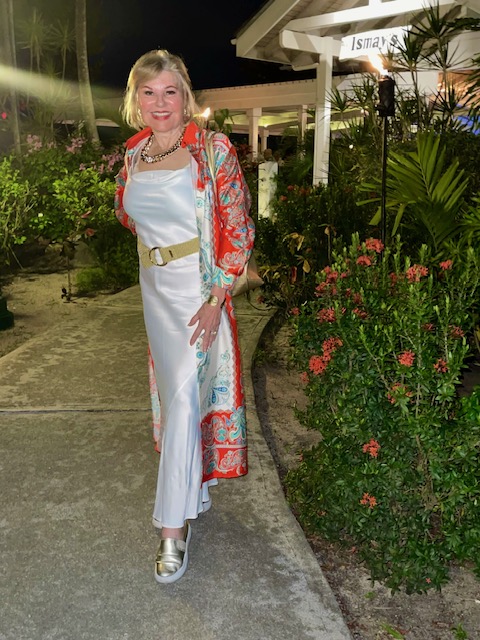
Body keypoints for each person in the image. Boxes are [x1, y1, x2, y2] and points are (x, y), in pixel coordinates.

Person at [114, 50, 255, 584]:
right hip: (155, 294)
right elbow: (128, 213)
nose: (160, 103)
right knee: (179, 398)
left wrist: (217, 297)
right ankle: (194, 486)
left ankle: (172, 530)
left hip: (197, 294)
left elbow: (238, 226)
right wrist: (157, 252)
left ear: (186, 97)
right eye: (148, 92)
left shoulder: (212, 151)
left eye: (169, 91)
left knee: (180, 397)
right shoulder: (134, 154)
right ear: (136, 100)